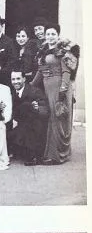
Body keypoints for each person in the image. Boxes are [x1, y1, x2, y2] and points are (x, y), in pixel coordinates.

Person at [31, 23, 79, 165]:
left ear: (57, 35)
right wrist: (30, 86)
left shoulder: (62, 50)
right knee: (49, 118)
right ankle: (48, 152)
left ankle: (57, 155)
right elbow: (40, 71)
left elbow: (66, 71)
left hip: (59, 87)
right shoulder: (44, 50)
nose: (50, 37)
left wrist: (63, 90)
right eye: (48, 34)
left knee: (58, 118)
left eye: (53, 34)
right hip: (47, 88)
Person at [8, 69, 49, 166]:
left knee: (26, 106)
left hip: (34, 128)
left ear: (24, 79)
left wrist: (37, 107)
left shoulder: (34, 91)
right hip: (19, 126)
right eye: (13, 79)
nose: (15, 82)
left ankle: (34, 155)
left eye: (18, 79)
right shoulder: (12, 92)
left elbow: (45, 110)